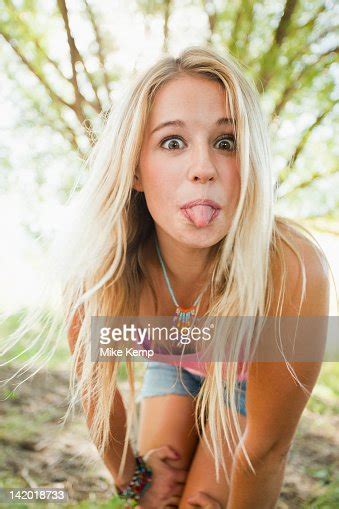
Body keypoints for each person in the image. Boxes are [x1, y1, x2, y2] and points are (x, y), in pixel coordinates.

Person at [8, 46, 331, 509]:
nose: (203, 169)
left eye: (226, 142)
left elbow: (266, 450)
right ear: (135, 170)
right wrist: (132, 484)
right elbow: (100, 400)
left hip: (246, 377)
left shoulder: (293, 269)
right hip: (174, 360)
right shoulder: (99, 268)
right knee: (156, 498)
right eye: (173, 142)